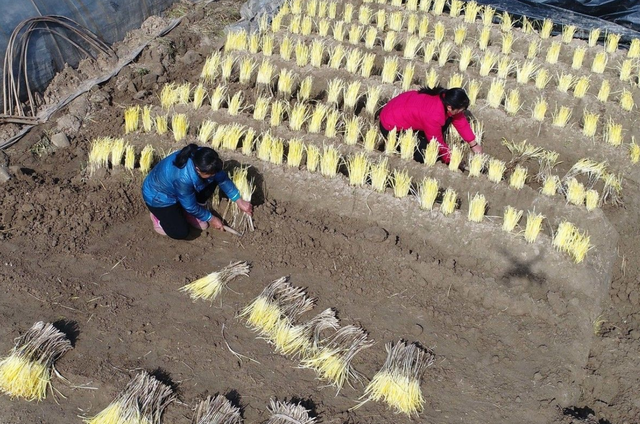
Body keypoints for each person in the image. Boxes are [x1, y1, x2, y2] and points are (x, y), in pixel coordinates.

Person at [142, 143, 253, 239]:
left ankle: (190, 213)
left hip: (181, 192)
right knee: (180, 232)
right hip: (158, 197)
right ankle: (158, 216)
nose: (214, 175)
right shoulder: (183, 178)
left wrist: (239, 200)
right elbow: (190, 206)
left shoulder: (204, 158)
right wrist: (212, 218)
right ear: (198, 170)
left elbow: (222, 178)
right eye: (210, 173)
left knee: (213, 180)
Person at [379, 86, 483, 164]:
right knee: (427, 154)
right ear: (450, 107)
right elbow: (437, 142)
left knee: (447, 120)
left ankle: (421, 135)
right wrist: (451, 159)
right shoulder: (433, 115)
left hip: (400, 111)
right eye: (461, 110)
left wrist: (473, 144)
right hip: (390, 127)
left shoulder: (444, 97)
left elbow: (459, 120)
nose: (462, 112)